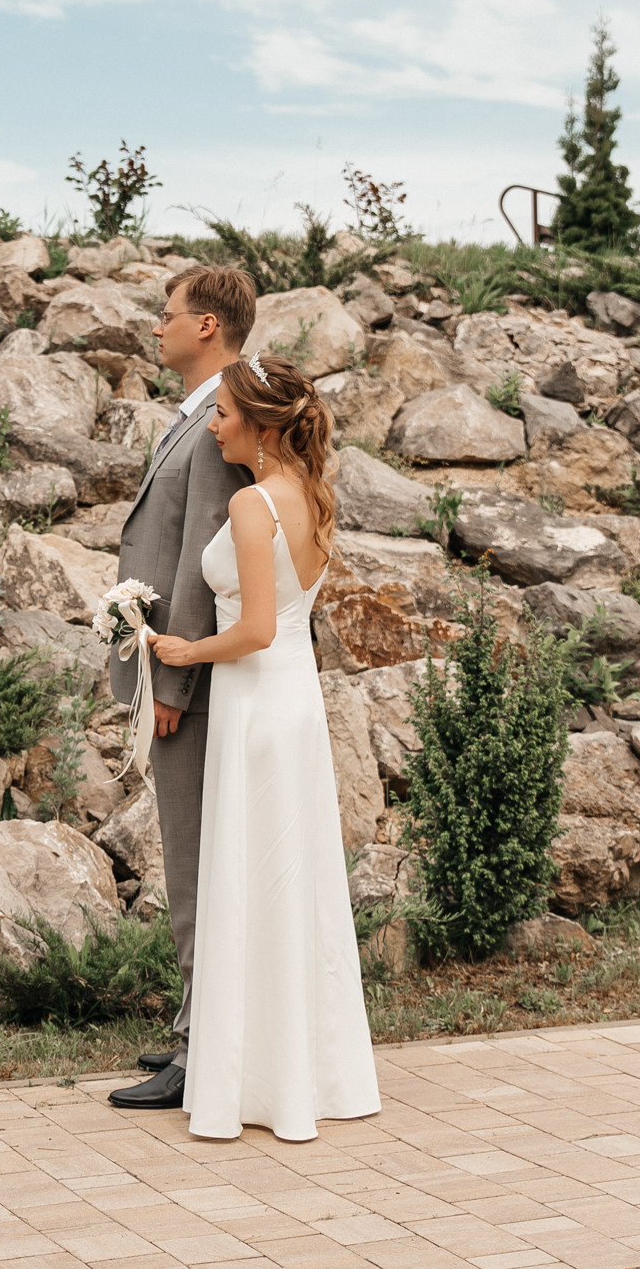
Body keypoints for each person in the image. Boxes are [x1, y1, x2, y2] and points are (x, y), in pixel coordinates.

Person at [148, 351, 380, 1141]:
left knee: (254, 881)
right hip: (293, 702)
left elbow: (248, 629)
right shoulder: (310, 495)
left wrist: (180, 654)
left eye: (223, 414)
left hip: (255, 705)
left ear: (257, 423)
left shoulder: (253, 504)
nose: (212, 425)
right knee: (291, 885)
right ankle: (302, 1075)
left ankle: (254, 1078)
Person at [104, 265, 257, 1114]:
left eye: (166, 317)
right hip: (175, 665)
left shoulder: (221, 420)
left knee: (196, 860)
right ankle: (202, 1021)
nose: (154, 327)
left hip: (187, 672)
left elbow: (204, 552)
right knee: (189, 853)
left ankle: (204, 1055)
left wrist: (173, 675)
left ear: (207, 326)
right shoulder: (198, 413)